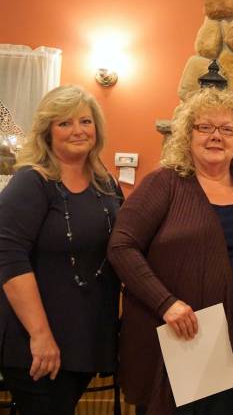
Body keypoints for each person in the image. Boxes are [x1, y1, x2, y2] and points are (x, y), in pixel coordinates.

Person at [107, 87, 233, 414]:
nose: (215, 136)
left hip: (231, 342)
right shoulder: (164, 183)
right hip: (172, 339)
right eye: (204, 127)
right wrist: (166, 304)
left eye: (226, 129)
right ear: (187, 134)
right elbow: (121, 245)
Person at [0, 85, 121, 414]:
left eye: (85, 121)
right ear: (47, 132)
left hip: (83, 336)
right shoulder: (32, 181)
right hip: (36, 339)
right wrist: (40, 336)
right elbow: (8, 257)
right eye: (65, 123)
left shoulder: (105, 183)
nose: (78, 130)